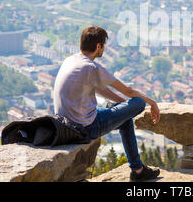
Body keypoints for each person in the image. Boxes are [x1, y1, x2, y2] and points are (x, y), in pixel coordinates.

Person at [53, 25, 161, 182]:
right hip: (84, 127)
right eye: (104, 45)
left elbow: (97, 87)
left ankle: (138, 170)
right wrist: (152, 103)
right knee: (138, 103)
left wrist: (123, 107)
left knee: (124, 118)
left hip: (65, 124)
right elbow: (129, 91)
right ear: (98, 46)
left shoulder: (71, 60)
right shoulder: (91, 67)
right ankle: (138, 170)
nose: (104, 48)